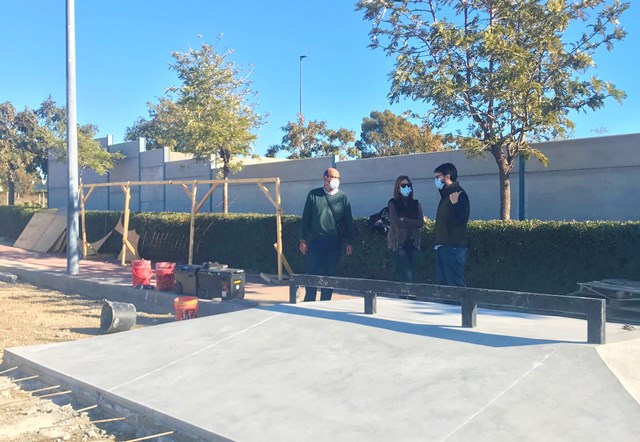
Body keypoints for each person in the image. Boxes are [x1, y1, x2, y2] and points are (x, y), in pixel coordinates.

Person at [299, 168, 354, 301]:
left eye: (338, 178)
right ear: (325, 178)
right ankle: (309, 301)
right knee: (312, 273)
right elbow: (305, 218)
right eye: (333, 177)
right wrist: (302, 239)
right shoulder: (313, 195)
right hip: (316, 241)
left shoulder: (343, 197)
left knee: (330, 275)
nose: (336, 180)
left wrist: (350, 242)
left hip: (334, 242)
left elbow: (348, 221)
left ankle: (325, 302)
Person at [433, 163, 470, 287]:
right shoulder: (446, 195)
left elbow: (461, 219)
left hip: (453, 247)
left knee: (455, 284)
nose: (436, 180)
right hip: (443, 246)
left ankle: (463, 306)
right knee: (443, 285)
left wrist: (455, 203)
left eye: (438, 177)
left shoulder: (458, 194)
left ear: (447, 176)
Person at [387, 176, 424, 283]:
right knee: (405, 271)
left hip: (414, 242)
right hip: (399, 242)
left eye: (408, 185)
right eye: (403, 185)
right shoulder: (393, 203)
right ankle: (407, 295)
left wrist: (405, 219)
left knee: (412, 270)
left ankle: (411, 295)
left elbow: (420, 223)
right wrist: (413, 223)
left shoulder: (416, 204)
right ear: (398, 188)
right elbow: (396, 223)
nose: (406, 187)